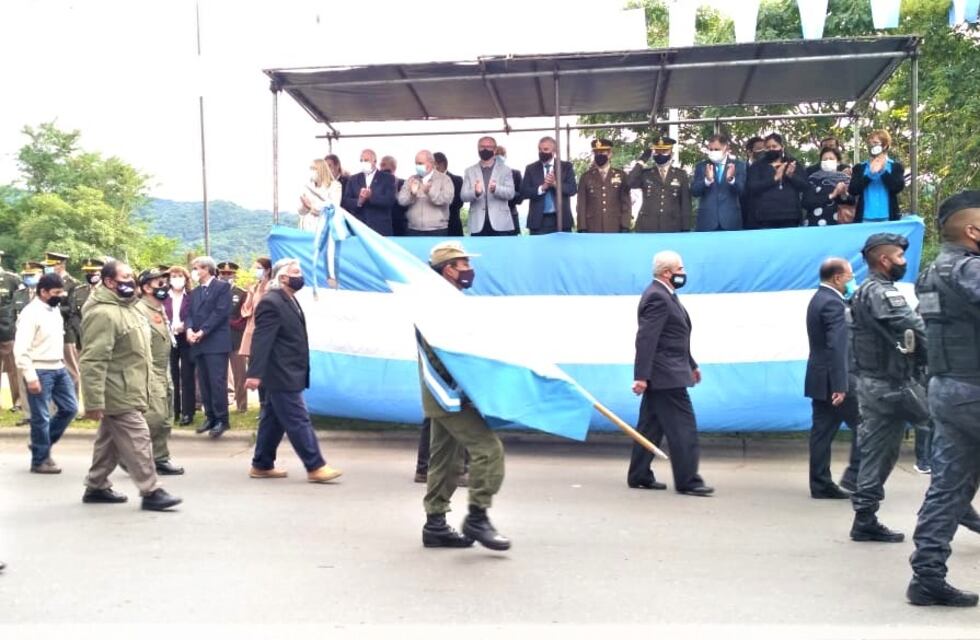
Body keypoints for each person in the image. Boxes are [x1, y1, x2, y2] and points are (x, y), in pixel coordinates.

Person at [907, 191, 980, 607]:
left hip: (948, 389)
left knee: (949, 485)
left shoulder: (933, 271)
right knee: (950, 485)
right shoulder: (969, 269)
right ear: (973, 230)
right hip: (973, 387)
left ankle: (927, 575)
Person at [418, 241, 509, 551]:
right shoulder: (437, 304)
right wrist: (473, 384)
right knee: (488, 450)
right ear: (448, 270)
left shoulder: (445, 300)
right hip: (450, 394)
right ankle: (478, 516)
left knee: (446, 461)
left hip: (444, 394)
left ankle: (435, 525)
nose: (470, 270)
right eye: (464, 265)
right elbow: (446, 354)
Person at [80, 260, 182, 512]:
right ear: (109, 282)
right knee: (138, 437)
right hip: (117, 389)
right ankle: (151, 490)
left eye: (131, 275)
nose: (130, 280)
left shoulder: (130, 307)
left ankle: (96, 486)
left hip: (132, 386)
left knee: (109, 441)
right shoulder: (102, 313)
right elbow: (93, 359)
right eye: (124, 276)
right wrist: (93, 402)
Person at [847, 233, 925, 542]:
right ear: (884, 260)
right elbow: (916, 329)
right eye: (900, 257)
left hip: (879, 384)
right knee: (951, 436)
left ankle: (864, 518)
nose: (904, 263)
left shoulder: (868, 290)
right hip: (892, 385)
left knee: (881, 452)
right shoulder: (881, 293)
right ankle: (958, 510)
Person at [245, 258, 342, 483]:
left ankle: (262, 464)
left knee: (273, 419)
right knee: (298, 419)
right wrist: (254, 373)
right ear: (283, 277)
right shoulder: (271, 302)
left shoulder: (288, 300)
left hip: (289, 370)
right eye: (296, 272)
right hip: (280, 373)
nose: (300, 276)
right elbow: (262, 340)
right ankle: (315, 466)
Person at [627, 250, 713, 496]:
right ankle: (689, 480)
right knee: (683, 428)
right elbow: (646, 339)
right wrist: (641, 376)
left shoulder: (666, 295)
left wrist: (692, 364)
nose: (684, 274)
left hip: (669, 371)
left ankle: (639, 474)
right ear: (667, 273)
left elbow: (675, 338)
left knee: (649, 427)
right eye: (680, 270)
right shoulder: (658, 297)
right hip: (666, 376)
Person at [804, 258, 861, 499]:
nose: (851, 280)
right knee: (866, 427)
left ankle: (820, 484)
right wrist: (841, 385)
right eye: (849, 276)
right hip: (835, 381)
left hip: (820, 378)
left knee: (822, 433)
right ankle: (855, 477)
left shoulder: (819, 298)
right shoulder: (833, 304)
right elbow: (837, 347)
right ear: (837, 278)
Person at [14, 272, 77, 474]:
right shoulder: (30, 314)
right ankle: (40, 460)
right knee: (41, 416)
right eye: (56, 292)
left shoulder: (54, 308)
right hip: (39, 369)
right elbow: (21, 349)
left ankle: (40, 444)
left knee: (70, 408)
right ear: (43, 292)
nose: (60, 296)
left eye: (61, 292)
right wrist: (30, 376)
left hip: (58, 367)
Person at [135, 267, 183, 476]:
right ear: (146, 287)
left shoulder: (159, 308)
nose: (165, 286)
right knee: (153, 417)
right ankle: (133, 457)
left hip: (164, 367)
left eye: (165, 282)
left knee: (165, 417)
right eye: (159, 283)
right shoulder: (139, 310)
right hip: (149, 368)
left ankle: (160, 458)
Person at [187, 256, 232, 438]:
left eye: (197, 268)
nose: (195, 271)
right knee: (204, 382)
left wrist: (203, 331)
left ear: (206, 269)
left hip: (216, 341)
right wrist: (189, 329)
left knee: (217, 382)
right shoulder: (195, 292)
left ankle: (222, 419)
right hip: (199, 343)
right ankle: (210, 416)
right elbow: (189, 313)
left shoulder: (222, 287)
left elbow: (220, 313)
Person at [627, 134, 692, 233]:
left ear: (672, 153)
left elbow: (685, 203)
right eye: (657, 151)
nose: (660, 154)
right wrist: (641, 161)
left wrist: (685, 228)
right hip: (648, 226)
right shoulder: (646, 174)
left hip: (672, 226)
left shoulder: (680, 175)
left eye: (664, 151)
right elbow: (629, 182)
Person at [745, 133, 807, 229]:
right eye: (768, 147)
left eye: (774, 146)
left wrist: (791, 176)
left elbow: (804, 186)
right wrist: (774, 179)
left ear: (782, 147)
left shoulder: (792, 163)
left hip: (790, 215)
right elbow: (752, 187)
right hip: (765, 217)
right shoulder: (757, 166)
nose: (771, 150)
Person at [43, 252, 81, 397]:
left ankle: (73, 402)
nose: (49, 268)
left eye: (51, 265)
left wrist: (52, 307)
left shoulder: (72, 283)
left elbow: (72, 309)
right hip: (49, 332)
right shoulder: (47, 283)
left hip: (67, 331)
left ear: (61, 265)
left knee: (71, 369)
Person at [521, 136, 576, 235]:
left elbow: (572, 189)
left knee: (563, 250)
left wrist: (555, 184)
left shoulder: (566, 167)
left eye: (546, 149)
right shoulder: (531, 168)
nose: (542, 152)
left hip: (562, 219)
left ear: (554, 151)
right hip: (538, 221)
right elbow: (524, 192)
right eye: (540, 149)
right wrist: (542, 188)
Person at [461, 136, 516, 236]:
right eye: (482, 147)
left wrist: (497, 189)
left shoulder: (505, 170)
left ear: (494, 150)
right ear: (478, 149)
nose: (485, 149)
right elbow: (463, 196)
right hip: (477, 224)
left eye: (488, 147)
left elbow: (511, 193)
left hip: (500, 224)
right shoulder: (469, 171)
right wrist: (475, 192)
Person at [691, 133, 746, 231]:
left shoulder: (738, 165)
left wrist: (731, 180)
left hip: (730, 221)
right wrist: (707, 181)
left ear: (726, 148)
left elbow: (742, 191)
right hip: (707, 221)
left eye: (716, 149)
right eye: (710, 149)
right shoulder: (702, 166)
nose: (713, 152)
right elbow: (694, 191)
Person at [848, 130, 905, 223]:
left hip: (888, 218)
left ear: (885, 145)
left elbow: (897, 187)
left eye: (875, 143)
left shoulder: (895, 166)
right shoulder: (860, 167)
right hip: (865, 218)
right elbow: (853, 190)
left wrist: (883, 171)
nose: (872, 146)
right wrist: (870, 175)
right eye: (870, 143)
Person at [576, 138, 632, 233]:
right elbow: (581, 204)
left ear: (610, 154)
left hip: (614, 225)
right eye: (596, 152)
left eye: (602, 152)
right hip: (592, 226)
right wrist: (582, 227)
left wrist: (625, 225)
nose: (599, 155)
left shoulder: (621, 175)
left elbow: (626, 203)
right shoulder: (586, 177)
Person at [12, 262, 44, 425]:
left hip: (40, 341)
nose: (28, 278)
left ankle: (46, 413)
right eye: (26, 275)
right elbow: (13, 316)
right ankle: (27, 414)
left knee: (43, 377)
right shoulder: (19, 294)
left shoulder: (46, 295)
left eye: (32, 275)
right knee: (22, 374)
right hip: (23, 340)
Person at [164, 265, 195, 426]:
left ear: (186, 278)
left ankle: (188, 412)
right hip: (168, 338)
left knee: (187, 375)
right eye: (174, 276)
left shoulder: (191, 296)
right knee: (171, 376)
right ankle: (173, 411)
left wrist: (186, 325)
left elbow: (194, 314)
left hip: (186, 338)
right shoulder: (164, 296)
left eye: (180, 276)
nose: (177, 279)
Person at [397, 150, 455, 236]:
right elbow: (401, 201)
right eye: (416, 164)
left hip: (437, 230)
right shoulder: (411, 179)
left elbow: (447, 199)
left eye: (420, 163)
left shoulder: (444, 179)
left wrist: (429, 192)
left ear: (431, 163)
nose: (417, 166)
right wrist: (412, 194)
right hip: (413, 229)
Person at [341, 149, 396, 236]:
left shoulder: (387, 178)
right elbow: (346, 201)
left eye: (366, 160)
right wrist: (359, 201)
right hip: (359, 229)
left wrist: (371, 196)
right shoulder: (353, 179)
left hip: (380, 229)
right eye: (361, 160)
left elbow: (390, 200)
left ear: (374, 161)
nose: (363, 162)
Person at [219, 261, 248, 413]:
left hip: (236, 338)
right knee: (218, 374)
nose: (226, 276)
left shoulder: (242, 293)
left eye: (229, 273)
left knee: (240, 374)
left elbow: (244, 317)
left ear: (234, 275)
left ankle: (242, 406)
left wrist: (228, 321)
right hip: (218, 338)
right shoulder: (215, 292)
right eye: (223, 273)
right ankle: (221, 404)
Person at [802, 147, 857, 227]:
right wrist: (832, 195)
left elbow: (853, 201)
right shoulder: (813, 179)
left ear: (838, 162)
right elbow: (806, 202)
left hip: (839, 224)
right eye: (825, 159)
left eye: (831, 159)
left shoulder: (846, 179)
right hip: (815, 224)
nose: (828, 161)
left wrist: (844, 193)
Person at [0, 251, 24, 413]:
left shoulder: (12, 279)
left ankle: (18, 401)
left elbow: (21, 303)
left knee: (14, 369)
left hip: (8, 331)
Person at [238, 257, 272, 364]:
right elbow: (245, 311)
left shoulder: (272, 288)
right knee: (253, 363)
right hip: (252, 329)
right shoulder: (254, 288)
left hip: (265, 329)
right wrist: (251, 293)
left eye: (259, 268)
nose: (256, 271)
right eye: (255, 268)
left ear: (268, 270)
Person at [298, 158, 340, 233]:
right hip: (306, 230)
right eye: (310, 168)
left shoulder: (335, 186)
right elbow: (300, 211)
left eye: (313, 168)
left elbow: (332, 206)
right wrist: (303, 206)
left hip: (323, 230)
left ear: (321, 170)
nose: (311, 171)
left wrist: (311, 207)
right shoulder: (307, 186)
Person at [433, 152, 464, 237]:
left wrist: (439, 201)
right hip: (431, 229)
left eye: (433, 165)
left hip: (452, 225)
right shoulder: (426, 180)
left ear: (441, 164)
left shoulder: (457, 180)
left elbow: (459, 203)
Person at [495, 145, 524, 234]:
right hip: (491, 219)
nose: (499, 156)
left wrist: (504, 192)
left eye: (502, 154)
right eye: (496, 154)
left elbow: (520, 198)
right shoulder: (484, 174)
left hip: (511, 216)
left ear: (506, 156)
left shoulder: (515, 173)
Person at [741, 136, 767, 228]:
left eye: (765, 148)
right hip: (746, 217)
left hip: (767, 216)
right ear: (749, 152)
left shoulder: (769, 168)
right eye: (759, 149)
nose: (763, 151)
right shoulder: (741, 169)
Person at [381, 155, 408, 236]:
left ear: (393, 167)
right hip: (382, 222)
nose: (381, 168)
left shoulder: (403, 183)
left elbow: (405, 204)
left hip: (398, 222)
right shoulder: (377, 184)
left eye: (384, 165)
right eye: (381, 165)